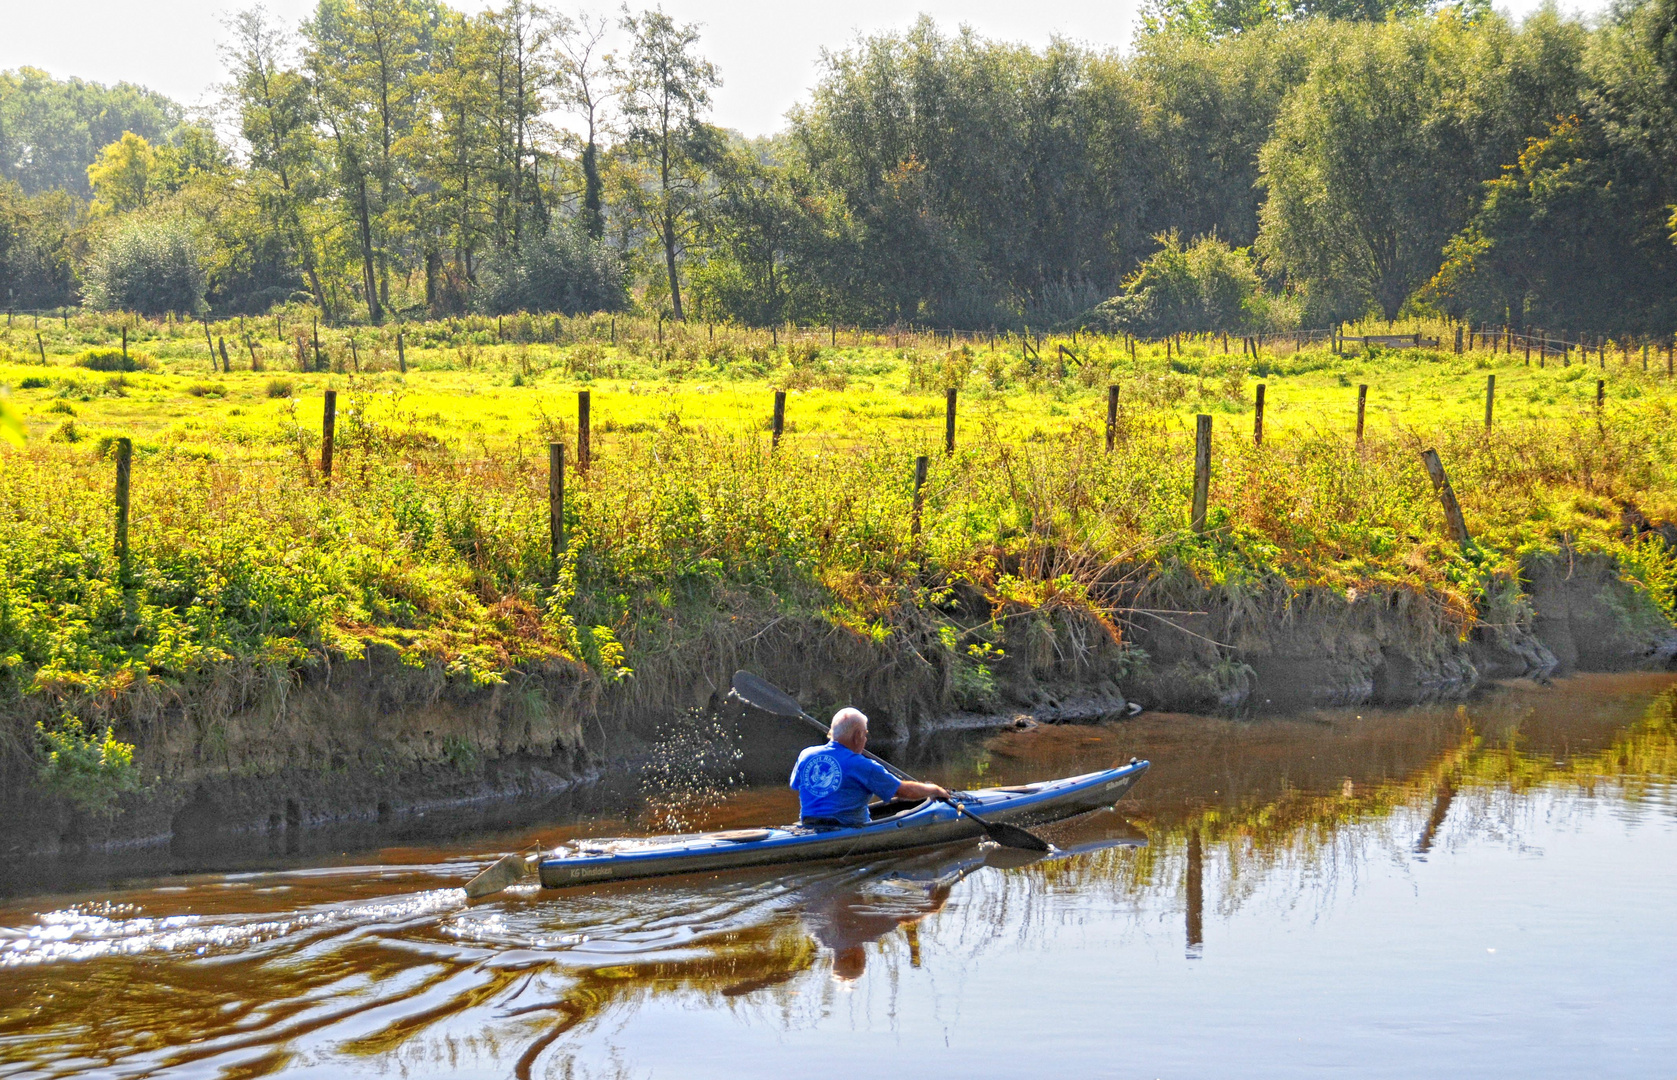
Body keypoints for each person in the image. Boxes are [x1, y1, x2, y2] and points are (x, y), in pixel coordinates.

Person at [789, 708, 949, 828]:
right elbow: (904, 791)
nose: (865, 739)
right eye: (865, 734)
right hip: (848, 828)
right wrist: (934, 789)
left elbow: (795, 785)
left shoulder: (806, 754)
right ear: (858, 735)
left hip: (809, 824)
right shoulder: (862, 765)